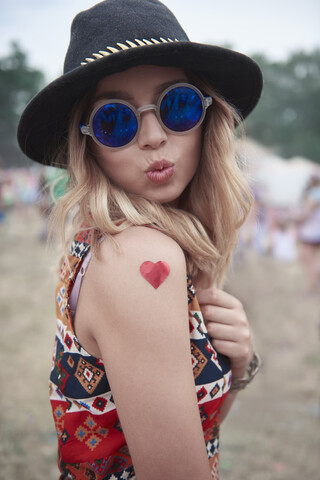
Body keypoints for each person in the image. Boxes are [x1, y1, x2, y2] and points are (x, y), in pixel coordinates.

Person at [17, 1, 262, 479]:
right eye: (115, 119)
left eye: (178, 104)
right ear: (87, 142)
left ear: (208, 117)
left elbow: (196, 435)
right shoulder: (140, 257)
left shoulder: (117, 246)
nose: (152, 136)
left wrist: (238, 368)